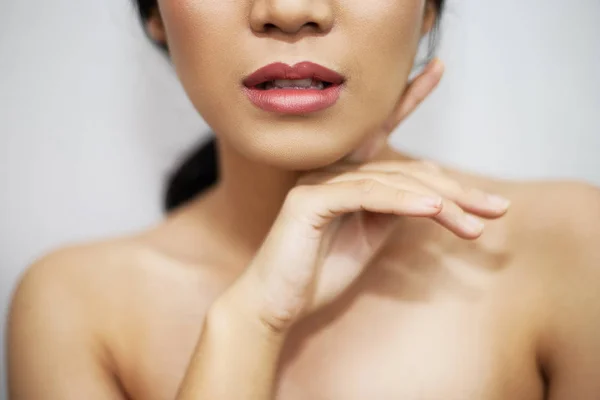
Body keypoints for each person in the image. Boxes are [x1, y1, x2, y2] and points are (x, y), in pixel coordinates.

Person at [6, 0, 600, 399]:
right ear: (157, 13)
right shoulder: (76, 306)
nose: (290, 12)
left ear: (427, 10)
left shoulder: (571, 248)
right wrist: (249, 323)